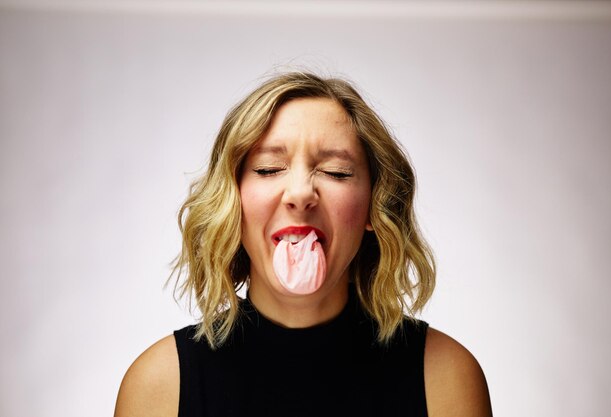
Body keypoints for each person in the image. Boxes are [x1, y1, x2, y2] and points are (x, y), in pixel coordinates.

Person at [114, 72, 492, 417]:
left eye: (335, 172)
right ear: (233, 201)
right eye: (267, 169)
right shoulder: (160, 385)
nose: (300, 193)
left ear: (374, 208)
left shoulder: (443, 377)